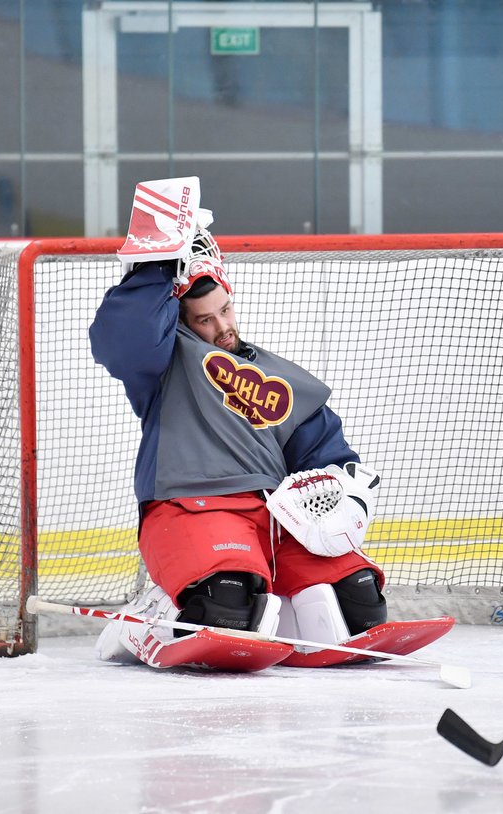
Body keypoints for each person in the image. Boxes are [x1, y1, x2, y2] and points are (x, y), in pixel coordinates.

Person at [89, 179, 387, 669]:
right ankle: (148, 619)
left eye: (225, 309)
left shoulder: (279, 377)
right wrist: (159, 261)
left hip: (276, 521)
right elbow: (126, 338)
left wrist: (345, 490)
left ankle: (273, 612)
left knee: (358, 603)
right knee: (226, 602)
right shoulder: (163, 365)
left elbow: (327, 452)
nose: (222, 326)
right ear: (181, 323)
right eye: (204, 320)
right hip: (192, 510)